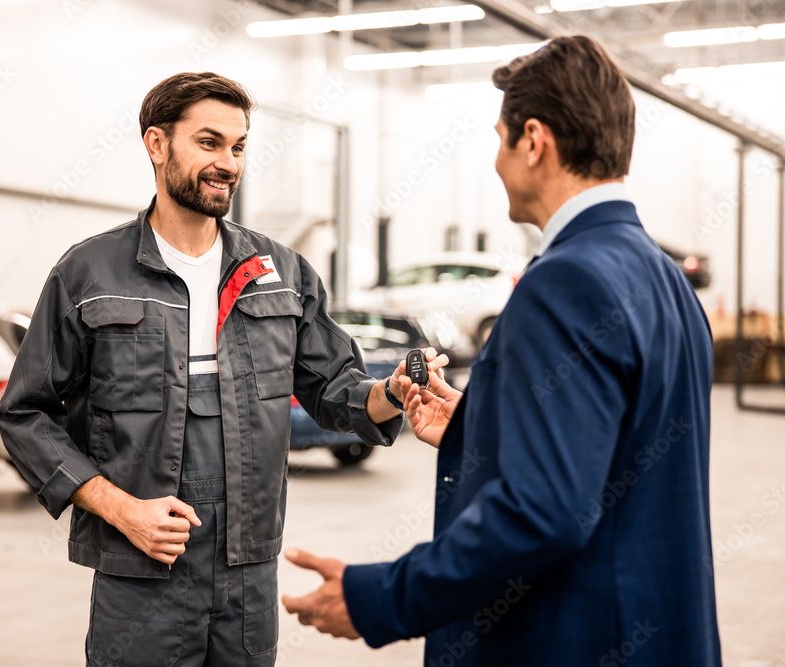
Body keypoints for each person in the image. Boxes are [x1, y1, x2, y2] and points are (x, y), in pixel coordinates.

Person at [282, 35, 722, 666]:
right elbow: (613, 446)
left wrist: (380, 597)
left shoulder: (566, 282)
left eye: (499, 138)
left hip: (577, 639)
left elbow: (544, 514)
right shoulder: (664, 279)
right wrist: (478, 424)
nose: (495, 160)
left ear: (534, 140)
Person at [0, 72, 446, 666]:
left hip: (248, 575)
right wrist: (121, 509)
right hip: (140, 573)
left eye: (238, 146)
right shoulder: (89, 274)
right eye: (209, 143)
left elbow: (336, 390)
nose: (228, 163)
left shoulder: (280, 272)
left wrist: (395, 392)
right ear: (157, 145)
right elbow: (24, 413)